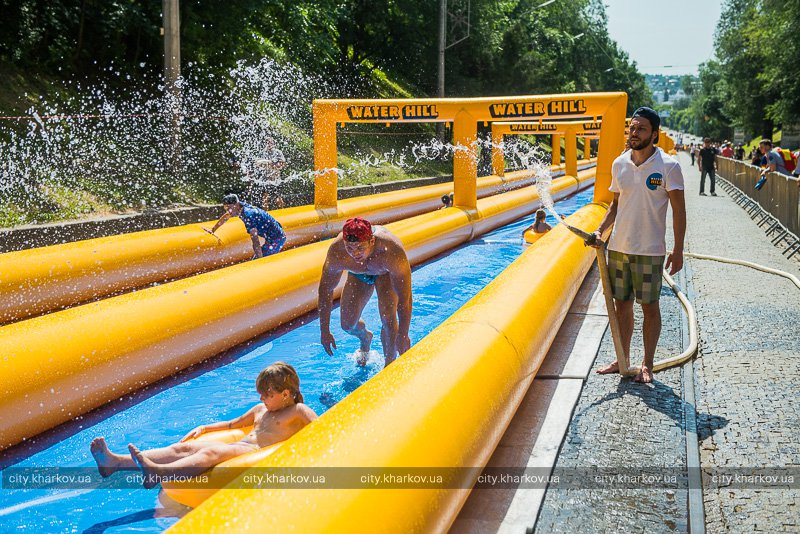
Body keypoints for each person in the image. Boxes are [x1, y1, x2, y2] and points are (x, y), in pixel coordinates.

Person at [90, 362, 317, 488]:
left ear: (286, 393)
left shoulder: (297, 411)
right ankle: (115, 461)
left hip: (254, 452)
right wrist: (205, 428)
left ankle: (159, 472)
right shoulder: (261, 410)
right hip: (240, 445)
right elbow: (231, 424)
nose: (261, 400)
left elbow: (322, 428)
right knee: (183, 448)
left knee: (211, 451)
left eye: (266, 395)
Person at [586, 106, 686, 384]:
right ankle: (622, 358)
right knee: (622, 305)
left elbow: (679, 210)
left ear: (654, 134)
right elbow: (615, 206)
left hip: (650, 251)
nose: (634, 132)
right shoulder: (619, 164)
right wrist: (599, 231)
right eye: (632, 127)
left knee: (650, 307)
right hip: (619, 248)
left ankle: (647, 364)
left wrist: (677, 250)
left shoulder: (668, 166)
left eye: (641, 128)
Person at [318, 217, 412, 367]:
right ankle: (365, 338)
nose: (355, 254)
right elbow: (325, 290)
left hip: (385, 273)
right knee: (347, 324)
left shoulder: (391, 251)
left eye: (360, 248)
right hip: (358, 275)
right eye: (350, 248)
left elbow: (404, 297)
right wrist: (324, 331)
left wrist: (403, 333)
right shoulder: (337, 252)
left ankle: (389, 365)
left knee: (388, 317)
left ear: (372, 241)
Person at [204, 193, 286, 259]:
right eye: (226, 208)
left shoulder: (248, 215)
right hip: (272, 235)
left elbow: (255, 240)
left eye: (229, 208)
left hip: (276, 238)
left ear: (236, 204)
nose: (228, 211)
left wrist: (260, 260)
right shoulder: (240, 206)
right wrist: (213, 230)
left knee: (257, 262)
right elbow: (226, 217)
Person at [247, 137, 287, 210]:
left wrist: (270, 163)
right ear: (265, 144)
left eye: (271, 142)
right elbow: (257, 163)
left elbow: (282, 164)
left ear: (274, 143)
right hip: (265, 179)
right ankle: (266, 215)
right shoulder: (262, 153)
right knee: (264, 198)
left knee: (277, 199)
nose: (269, 144)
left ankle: (282, 211)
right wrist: (266, 163)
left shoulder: (278, 152)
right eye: (267, 142)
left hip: (275, 180)